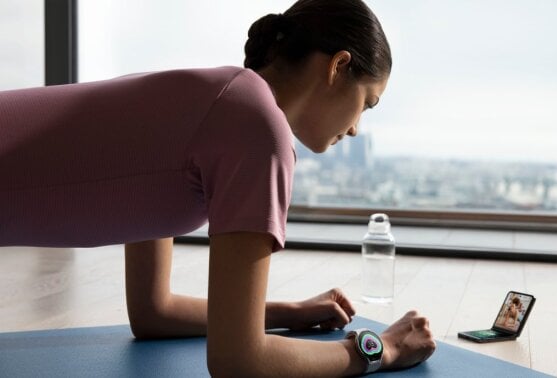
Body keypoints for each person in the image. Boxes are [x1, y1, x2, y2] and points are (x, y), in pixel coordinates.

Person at [0, 0, 436, 375]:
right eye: (367, 103)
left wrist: (287, 314)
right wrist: (380, 350)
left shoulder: (218, 99)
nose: (358, 128)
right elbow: (238, 361)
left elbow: (154, 312)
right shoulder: (257, 129)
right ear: (338, 66)